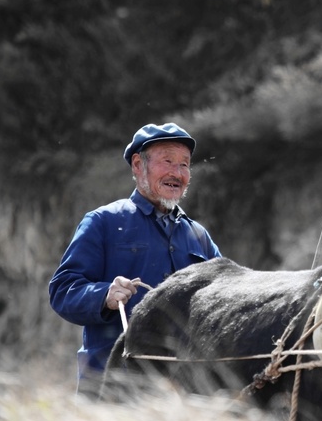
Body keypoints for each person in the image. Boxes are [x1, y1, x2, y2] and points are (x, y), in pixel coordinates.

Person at [49, 122, 222, 396]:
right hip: (112, 384)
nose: (177, 173)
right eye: (168, 161)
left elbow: (224, 300)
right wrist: (104, 294)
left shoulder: (198, 236)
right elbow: (62, 291)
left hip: (184, 394)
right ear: (138, 165)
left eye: (185, 165)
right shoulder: (103, 222)